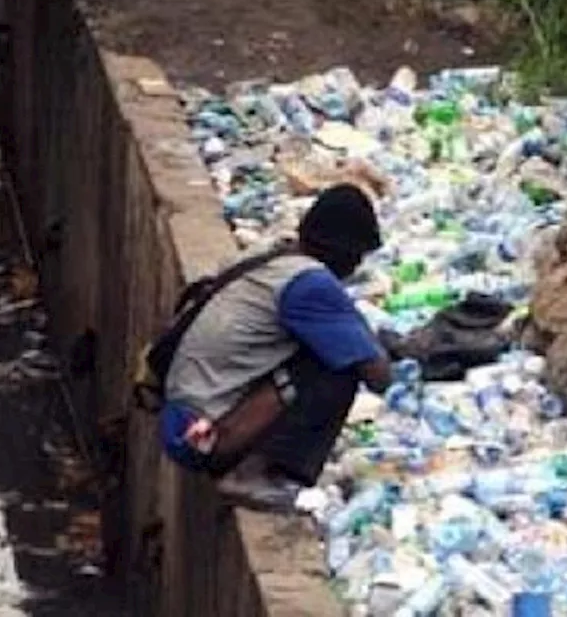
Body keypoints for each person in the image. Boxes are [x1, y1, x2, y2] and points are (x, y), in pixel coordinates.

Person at [159, 183, 394, 511]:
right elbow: (378, 375)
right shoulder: (310, 284)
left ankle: (249, 464)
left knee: (324, 349)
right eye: (356, 258)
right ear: (343, 253)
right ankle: (250, 476)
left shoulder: (273, 257)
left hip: (182, 416)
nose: (355, 269)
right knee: (335, 370)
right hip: (201, 434)